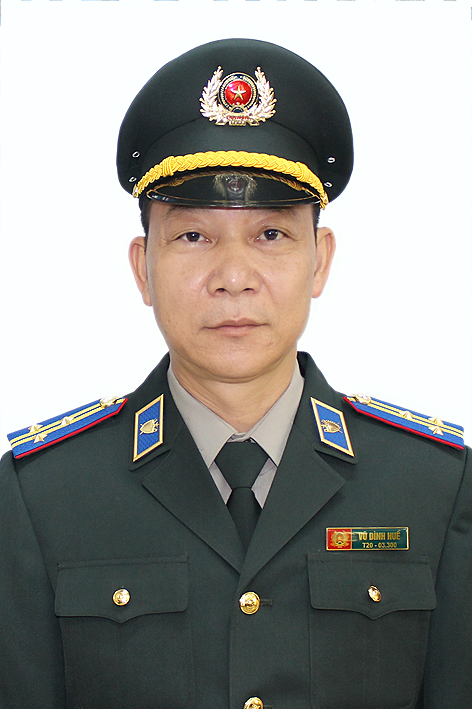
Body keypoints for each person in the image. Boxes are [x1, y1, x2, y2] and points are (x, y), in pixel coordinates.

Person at [0, 38, 470, 709]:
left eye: (270, 235)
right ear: (142, 268)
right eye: (193, 236)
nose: (233, 277)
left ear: (320, 260)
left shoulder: (435, 485)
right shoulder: (41, 496)